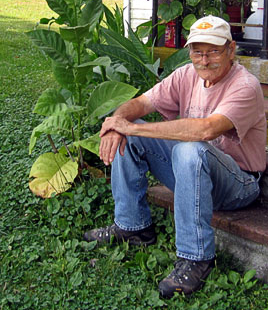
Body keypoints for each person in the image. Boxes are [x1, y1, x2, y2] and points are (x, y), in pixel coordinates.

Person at [84, 15, 267, 298]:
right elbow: (142, 103)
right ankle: (133, 227)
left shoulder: (245, 85)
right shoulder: (186, 75)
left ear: (231, 50)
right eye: (197, 52)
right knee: (134, 135)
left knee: (189, 146)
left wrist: (130, 127)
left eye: (214, 51)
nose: (204, 60)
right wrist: (116, 123)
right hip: (193, 174)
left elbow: (206, 129)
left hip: (239, 186)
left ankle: (196, 258)